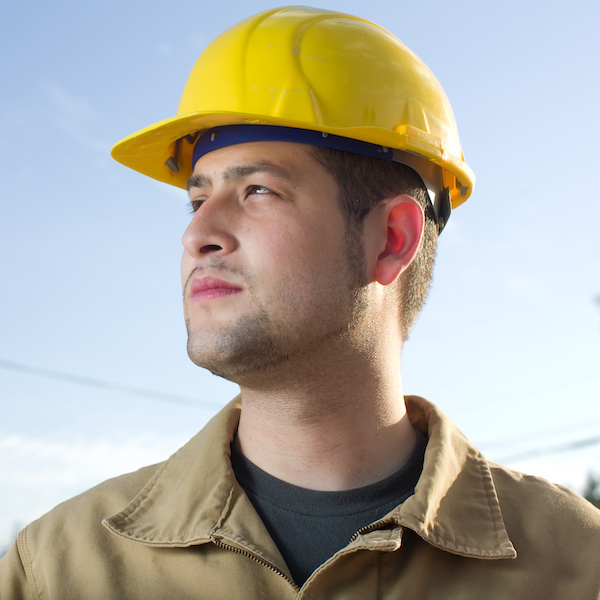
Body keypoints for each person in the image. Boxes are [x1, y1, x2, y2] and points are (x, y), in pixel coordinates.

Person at [1, 6, 599, 599]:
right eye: (196, 199)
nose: (196, 235)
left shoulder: (578, 564)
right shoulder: (56, 570)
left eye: (257, 190)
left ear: (391, 239)